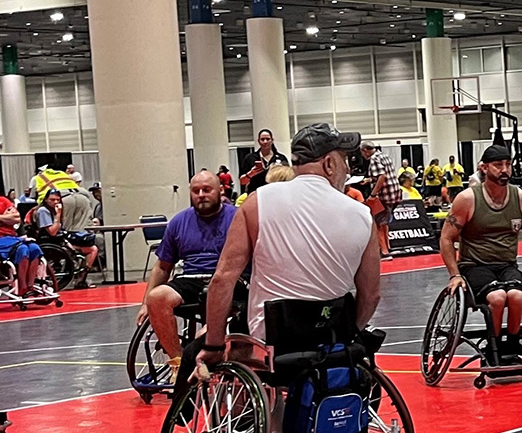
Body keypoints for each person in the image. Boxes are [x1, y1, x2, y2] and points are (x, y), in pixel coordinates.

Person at [205, 125, 381, 390]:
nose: (348, 169)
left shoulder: (257, 202)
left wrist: (214, 346)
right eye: (344, 160)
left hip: (271, 338)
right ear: (330, 164)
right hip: (332, 336)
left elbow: (222, 280)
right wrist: (349, 334)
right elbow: (371, 295)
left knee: (203, 349)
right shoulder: (362, 215)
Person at [440, 143, 522, 364]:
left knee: (517, 296)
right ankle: (493, 345)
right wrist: (454, 274)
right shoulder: (467, 199)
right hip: (474, 266)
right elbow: (446, 237)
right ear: (484, 168)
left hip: (506, 266)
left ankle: (512, 343)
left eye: (508, 164)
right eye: (498, 165)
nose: (504, 170)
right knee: (497, 298)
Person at [140, 172, 235, 367]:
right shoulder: (179, 221)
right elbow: (163, 266)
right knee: (157, 298)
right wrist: (145, 303)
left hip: (228, 278)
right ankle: (179, 363)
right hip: (191, 278)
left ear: (220, 190)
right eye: (196, 191)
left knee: (206, 332)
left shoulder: (237, 217)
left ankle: (210, 341)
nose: (201, 194)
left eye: (207, 190)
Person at [29, 190, 99, 283]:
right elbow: (52, 232)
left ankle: (82, 275)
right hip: (51, 242)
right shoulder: (43, 211)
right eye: (52, 200)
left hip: (59, 239)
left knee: (91, 245)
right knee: (92, 249)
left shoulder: (52, 210)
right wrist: (58, 214)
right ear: (46, 199)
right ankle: (81, 278)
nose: (55, 202)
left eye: (57, 200)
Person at [240, 128, 284, 194]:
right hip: (255, 194)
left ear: (272, 140)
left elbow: (288, 179)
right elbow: (242, 181)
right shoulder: (250, 158)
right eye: (262, 139)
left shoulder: (281, 158)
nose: (265, 142)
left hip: (276, 194)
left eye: (268, 139)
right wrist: (251, 173)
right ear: (258, 141)